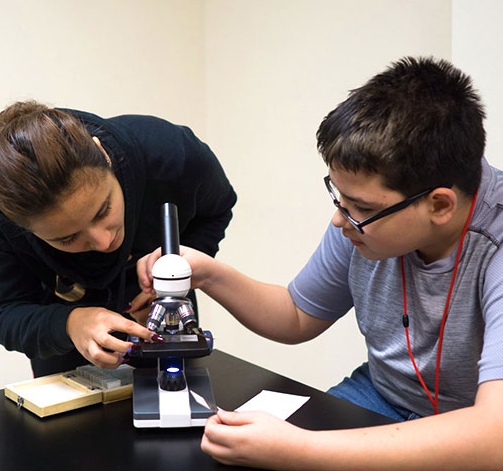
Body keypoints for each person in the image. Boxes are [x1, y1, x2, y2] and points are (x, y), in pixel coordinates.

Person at [138, 57, 503, 470]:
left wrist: (297, 450)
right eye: (338, 198)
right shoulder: (365, 217)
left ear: (439, 204)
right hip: (382, 396)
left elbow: (493, 437)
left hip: (474, 428)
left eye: (358, 206)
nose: (339, 218)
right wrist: (209, 272)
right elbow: (296, 316)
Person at [0, 102, 237, 377]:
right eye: (67, 238)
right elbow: (5, 310)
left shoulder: (171, 154)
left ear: (103, 154)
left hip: (163, 337)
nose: (103, 242)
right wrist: (69, 324)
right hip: (67, 358)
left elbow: (217, 208)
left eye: (103, 211)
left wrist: (177, 270)